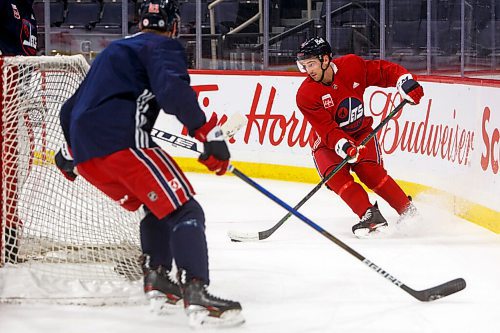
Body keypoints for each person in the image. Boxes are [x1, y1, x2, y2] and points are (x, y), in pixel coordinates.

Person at [54, 0, 244, 327]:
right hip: (123, 143)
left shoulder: (115, 50)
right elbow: (172, 91)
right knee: (186, 209)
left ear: (140, 22)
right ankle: (195, 290)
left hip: (87, 157)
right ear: (173, 26)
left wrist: (72, 151)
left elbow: (70, 108)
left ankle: (157, 280)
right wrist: (208, 135)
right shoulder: (163, 45)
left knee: (157, 206)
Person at [295, 36, 424, 238]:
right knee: (335, 176)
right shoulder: (306, 94)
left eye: (311, 64)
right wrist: (344, 146)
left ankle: (408, 211)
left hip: (360, 132)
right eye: (304, 65)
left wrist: (404, 82)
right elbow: (327, 129)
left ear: (326, 59)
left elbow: (382, 72)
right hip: (327, 143)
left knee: (370, 171)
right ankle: (369, 215)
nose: (308, 70)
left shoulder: (351, 65)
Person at [0, 0, 38, 264]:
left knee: (18, 163)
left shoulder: (27, 8)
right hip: (5, 87)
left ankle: (10, 230)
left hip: (15, 93)